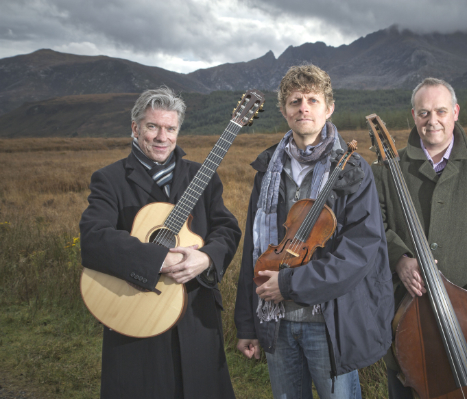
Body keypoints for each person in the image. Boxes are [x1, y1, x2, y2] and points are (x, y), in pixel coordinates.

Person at [234, 64, 394, 399]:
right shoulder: (267, 168)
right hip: (277, 323)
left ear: (328, 108)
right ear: (283, 110)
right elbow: (254, 247)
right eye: (294, 101)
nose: (303, 107)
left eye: (312, 100)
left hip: (330, 322)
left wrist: (290, 284)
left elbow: (360, 252)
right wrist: (248, 325)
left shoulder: (353, 170)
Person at [80, 87, 241, 399]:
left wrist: (206, 258)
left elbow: (227, 229)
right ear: (135, 127)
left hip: (196, 315)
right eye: (152, 126)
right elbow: (93, 238)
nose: (161, 137)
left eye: (170, 128)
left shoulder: (201, 175)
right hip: (134, 311)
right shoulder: (110, 179)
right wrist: (156, 260)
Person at [372, 77, 467, 398]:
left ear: (455, 112)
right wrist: (398, 258)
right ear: (413, 115)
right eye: (424, 113)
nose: (433, 121)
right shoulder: (385, 172)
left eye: (441, 111)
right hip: (408, 319)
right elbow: (370, 227)